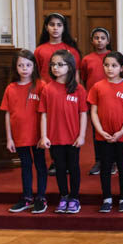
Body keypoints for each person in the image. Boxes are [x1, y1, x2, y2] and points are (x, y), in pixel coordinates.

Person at [38, 50, 88, 214]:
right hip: (55, 137)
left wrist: (81, 135)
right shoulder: (47, 89)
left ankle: (74, 197)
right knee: (59, 168)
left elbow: (83, 114)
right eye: (52, 64)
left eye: (60, 64)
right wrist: (44, 135)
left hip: (73, 138)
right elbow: (43, 114)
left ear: (70, 66)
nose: (55, 68)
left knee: (73, 167)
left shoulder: (78, 89)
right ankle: (64, 196)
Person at [87, 52, 123, 213]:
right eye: (107, 65)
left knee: (122, 166)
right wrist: (100, 129)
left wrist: (122, 131)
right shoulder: (97, 87)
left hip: (122, 135)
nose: (110, 69)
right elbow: (93, 111)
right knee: (106, 166)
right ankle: (107, 197)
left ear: (122, 68)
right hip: (103, 135)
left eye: (114, 65)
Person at [1, 50, 47, 213]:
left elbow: (45, 113)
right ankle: (27, 197)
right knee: (26, 166)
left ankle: (41, 197)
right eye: (20, 65)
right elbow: (7, 114)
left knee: (40, 165)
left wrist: (44, 136)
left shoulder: (41, 86)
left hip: (37, 136)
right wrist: (9, 139)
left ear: (34, 66)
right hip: (19, 136)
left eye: (28, 65)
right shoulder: (10, 88)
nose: (24, 68)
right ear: (15, 67)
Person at [81, 27, 112, 176]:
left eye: (102, 38)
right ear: (92, 41)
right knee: (97, 132)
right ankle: (99, 160)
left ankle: (112, 162)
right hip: (94, 100)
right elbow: (85, 78)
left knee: (111, 129)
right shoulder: (87, 59)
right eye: (96, 38)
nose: (99, 40)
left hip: (111, 99)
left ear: (108, 41)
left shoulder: (113, 56)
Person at [34, 13, 81, 83]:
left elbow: (76, 74)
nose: (55, 28)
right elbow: (35, 73)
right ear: (46, 27)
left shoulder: (72, 50)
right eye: (52, 25)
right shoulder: (39, 50)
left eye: (59, 25)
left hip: (66, 90)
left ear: (64, 28)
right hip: (45, 90)